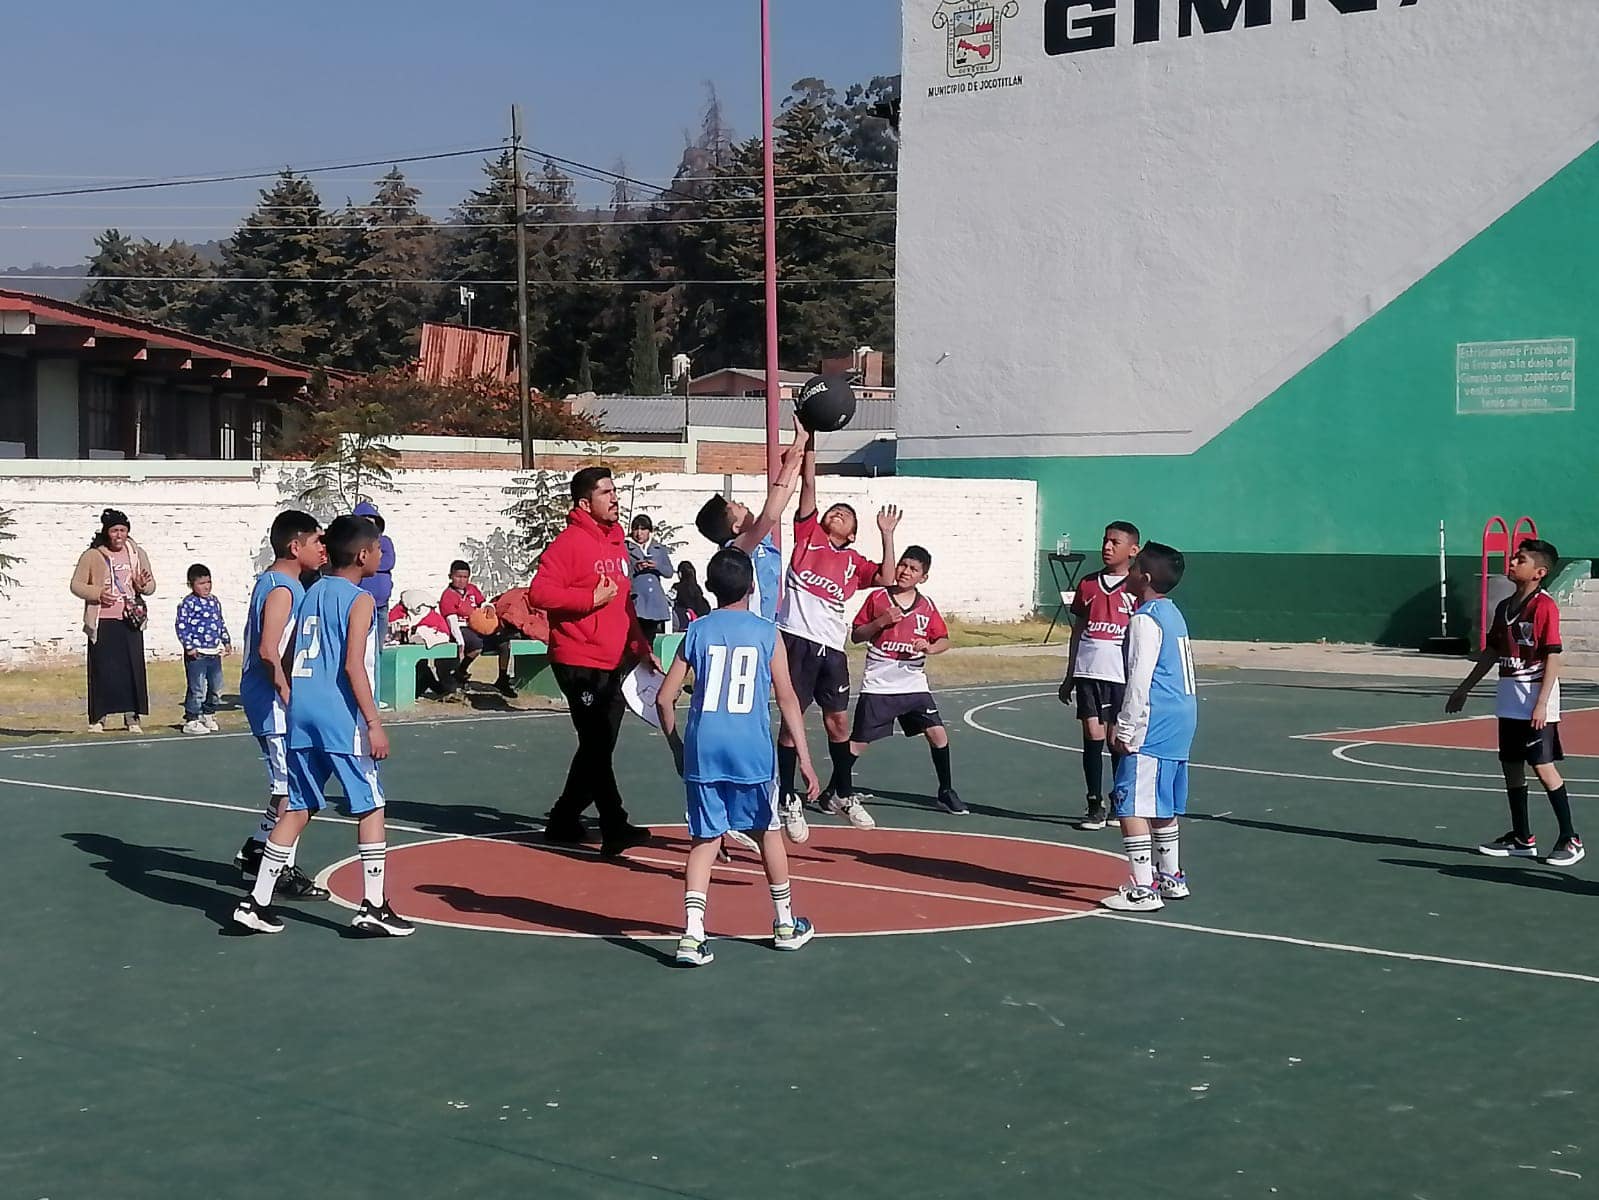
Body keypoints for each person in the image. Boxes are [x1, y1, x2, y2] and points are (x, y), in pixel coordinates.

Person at [232, 515, 413, 936]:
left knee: (297, 806)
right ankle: (373, 905)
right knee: (371, 805)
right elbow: (354, 665)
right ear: (365, 555)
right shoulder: (360, 600)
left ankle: (256, 901)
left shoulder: (308, 593)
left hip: (302, 714)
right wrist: (373, 722)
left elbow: (287, 649)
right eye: (379, 550)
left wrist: (295, 693)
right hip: (340, 717)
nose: (382, 556)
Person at [656, 547, 821, 967]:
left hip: (704, 747)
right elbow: (787, 698)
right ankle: (784, 924)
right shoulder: (768, 633)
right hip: (750, 750)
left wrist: (677, 748)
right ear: (752, 586)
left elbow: (664, 698)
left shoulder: (696, 632)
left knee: (705, 839)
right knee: (767, 831)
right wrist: (804, 757)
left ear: (711, 588)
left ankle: (692, 935)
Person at [528, 466, 662, 858]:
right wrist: (588, 601)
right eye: (605, 492)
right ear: (585, 503)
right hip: (579, 658)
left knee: (597, 746)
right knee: (597, 745)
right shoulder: (570, 543)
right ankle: (614, 825)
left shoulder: (618, 544)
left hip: (614, 658)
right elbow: (540, 593)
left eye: (614, 490)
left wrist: (640, 646)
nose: (614, 497)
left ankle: (564, 818)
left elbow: (623, 604)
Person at [775, 437, 899, 833]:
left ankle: (842, 794)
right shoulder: (808, 535)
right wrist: (809, 440)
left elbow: (888, 577)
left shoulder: (854, 562)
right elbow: (809, 485)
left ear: (852, 533)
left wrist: (887, 533)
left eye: (846, 514)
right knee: (791, 725)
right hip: (795, 639)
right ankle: (786, 799)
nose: (838, 513)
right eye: (835, 510)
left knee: (839, 725)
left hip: (832, 649)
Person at [1447, 539, 1584, 866]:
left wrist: (1541, 703)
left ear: (1539, 572)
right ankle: (1522, 837)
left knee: (1542, 767)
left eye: (1519, 559)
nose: (1510, 562)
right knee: (1510, 765)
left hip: (1536, 699)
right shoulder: (1504, 607)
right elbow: (1493, 652)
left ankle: (1570, 838)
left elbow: (1554, 656)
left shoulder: (1544, 606)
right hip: (1509, 700)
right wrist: (1464, 688)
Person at [232, 511, 331, 901]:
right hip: (272, 703)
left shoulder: (287, 584)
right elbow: (268, 649)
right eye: (316, 541)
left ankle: (259, 849)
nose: (323, 548)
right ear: (295, 546)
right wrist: (289, 695)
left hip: (272, 699)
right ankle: (277, 871)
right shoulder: (282, 588)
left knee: (288, 787)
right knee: (291, 789)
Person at [832, 546, 964, 815]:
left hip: (914, 683)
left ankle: (946, 791)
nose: (905, 571)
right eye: (903, 565)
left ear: (923, 577)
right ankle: (833, 791)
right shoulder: (878, 598)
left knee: (938, 734)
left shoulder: (926, 606)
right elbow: (857, 636)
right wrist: (881, 621)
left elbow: (944, 640)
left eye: (913, 569)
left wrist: (929, 646)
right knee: (858, 744)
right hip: (881, 682)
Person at [1101, 542, 1197, 913]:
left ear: (1145, 576)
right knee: (1164, 801)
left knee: (1130, 803)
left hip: (1155, 721)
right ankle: (1171, 877)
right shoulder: (1173, 614)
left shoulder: (1145, 619)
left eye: (1135, 565)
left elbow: (1140, 679)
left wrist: (1126, 728)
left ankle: (1143, 888)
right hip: (1181, 718)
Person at [1058, 521, 1141, 831]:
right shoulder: (1088, 584)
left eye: (1115, 542)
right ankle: (1094, 803)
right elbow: (1078, 630)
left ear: (1133, 550)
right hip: (1088, 671)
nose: (1107, 546)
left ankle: (1121, 798)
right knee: (1092, 736)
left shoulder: (1135, 587)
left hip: (1120, 675)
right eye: (1105, 540)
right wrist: (1070, 674)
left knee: (1116, 739)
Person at [694, 419, 811, 626]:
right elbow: (770, 515)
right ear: (735, 528)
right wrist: (788, 465)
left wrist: (800, 442)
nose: (741, 503)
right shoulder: (736, 550)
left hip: (767, 623)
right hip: (749, 627)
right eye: (735, 506)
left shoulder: (758, 540)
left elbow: (783, 497)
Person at [69, 508, 156, 734]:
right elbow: (76, 585)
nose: (119, 535)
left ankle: (132, 717)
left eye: (123, 530)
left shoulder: (137, 553)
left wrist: (141, 585)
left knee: (132, 669)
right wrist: (98, 593)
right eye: (115, 531)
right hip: (103, 620)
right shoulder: (92, 555)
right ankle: (99, 717)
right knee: (102, 670)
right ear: (107, 532)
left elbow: (151, 586)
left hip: (130, 619)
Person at [438, 560, 515, 698]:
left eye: (465, 577)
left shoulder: (472, 589)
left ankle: (502, 678)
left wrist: (489, 608)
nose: (462, 580)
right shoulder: (447, 596)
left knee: (504, 642)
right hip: (462, 628)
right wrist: (460, 641)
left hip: (479, 626)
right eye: (458, 577)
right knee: (476, 644)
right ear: (450, 576)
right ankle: (461, 671)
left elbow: (483, 603)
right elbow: (452, 621)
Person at [175, 563, 231, 735]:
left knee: (216, 687)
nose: (206, 586)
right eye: (201, 583)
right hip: (197, 654)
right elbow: (181, 626)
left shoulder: (214, 601)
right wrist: (189, 647)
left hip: (214, 653)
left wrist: (226, 641)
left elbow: (219, 623)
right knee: (197, 688)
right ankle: (192, 719)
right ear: (191, 585)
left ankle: (208, 714)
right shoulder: (188, 604)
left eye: (208, 582)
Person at [352, 500, 396, 647]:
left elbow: (388, 562)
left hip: (381, 606)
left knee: (377, 648)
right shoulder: (353, 544)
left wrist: (368, 561)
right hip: (360, 603)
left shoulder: (385, 541)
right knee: (359, 645)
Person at [626, 514, 676, 640]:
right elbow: (622, 571)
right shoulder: (626, 547)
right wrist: (635, 569)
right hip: (637, 599)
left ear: (649, 531)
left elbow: (669, 572)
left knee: (651, 637)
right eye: (636, 529)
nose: (639, 533)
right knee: (635, 637)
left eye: (643, 529)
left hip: (654, 601)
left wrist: (656, 566)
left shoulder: (658, 548)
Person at [672, 563, 712, 631]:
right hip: (699, 624)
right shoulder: (697, 588)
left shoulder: (677, 587)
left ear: (680, 574)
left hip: (683, 621)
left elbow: (668, 601)